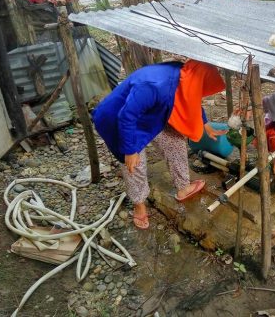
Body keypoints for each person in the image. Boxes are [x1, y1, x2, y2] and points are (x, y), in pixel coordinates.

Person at [93, 60, 226, 230]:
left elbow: (192, 98)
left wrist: (205, 123)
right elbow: (126, 117)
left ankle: (183, 187)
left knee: (175, 141)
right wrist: (130, 150)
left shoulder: (185, 76)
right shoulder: (154, 85)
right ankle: (139, 204)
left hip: (151, 112)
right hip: (117, 119)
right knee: (134, 163)